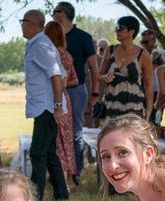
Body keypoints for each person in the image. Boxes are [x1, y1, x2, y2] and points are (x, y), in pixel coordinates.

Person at [22, 10, 70, 201]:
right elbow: (61, 75)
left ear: (32, 23)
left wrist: (57, 106)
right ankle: (61, 195)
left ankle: (35, 199)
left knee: (37, 153)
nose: (22, 25)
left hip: (47, 108)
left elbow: (57, 76)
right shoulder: (40, 44)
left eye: (23, 22)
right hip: (44, 106)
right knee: (49, 152)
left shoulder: (41, 45)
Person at [53, 2, 99, 186]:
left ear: (63, 14)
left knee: (75, 133)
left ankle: (75, 173)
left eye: (55, 11)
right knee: (56, 133)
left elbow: (93, 68)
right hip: (55, 92)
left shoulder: (83, 37)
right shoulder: (51, 37)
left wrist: (95, 92)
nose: (53, 15)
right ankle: (59, 172)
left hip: (76, 90)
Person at [99, 16, 153, 122]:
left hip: (134, 108)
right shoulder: (110, 50)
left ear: (131, 32)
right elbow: (99, 76)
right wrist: (104, 77)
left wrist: (148, 111)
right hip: (111, 106)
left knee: (131, 138)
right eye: (116, 28)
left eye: (120, 28)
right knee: (111, 137)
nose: (116, 31)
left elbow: (148, 85)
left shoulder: (143, 54)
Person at [44, 21, 78, 189]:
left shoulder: (50, 54)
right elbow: (75, 79)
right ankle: (67, 180)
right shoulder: (68, 55)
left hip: (54, 98)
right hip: (65, 98)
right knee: (67, 141)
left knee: (57, 142)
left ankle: (62, 183)